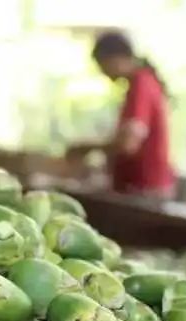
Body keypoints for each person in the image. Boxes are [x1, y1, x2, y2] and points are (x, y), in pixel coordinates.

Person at [67, 31, 175, 198]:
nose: (102, 72)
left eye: (102, 64)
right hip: (140, 186)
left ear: (115, 58)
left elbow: (128, 144)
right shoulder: (140, 83)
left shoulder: (141, 85)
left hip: (144, 188)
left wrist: (87, 147)